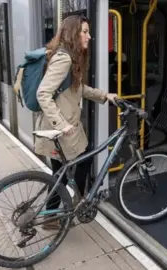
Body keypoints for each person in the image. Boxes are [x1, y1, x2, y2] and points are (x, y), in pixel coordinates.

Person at [34, 15, 118, 230]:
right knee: (84, 160)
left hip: (63, 128)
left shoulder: (67, 56)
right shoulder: (64, 59)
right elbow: (43, 93)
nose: (89, 36)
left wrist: (104, 96)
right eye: (85, 32)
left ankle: (53, 216)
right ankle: (72, 206)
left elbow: (78, 88)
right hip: (62, 130)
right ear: (73, 33)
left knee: (60, 174)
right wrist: (61, 124)